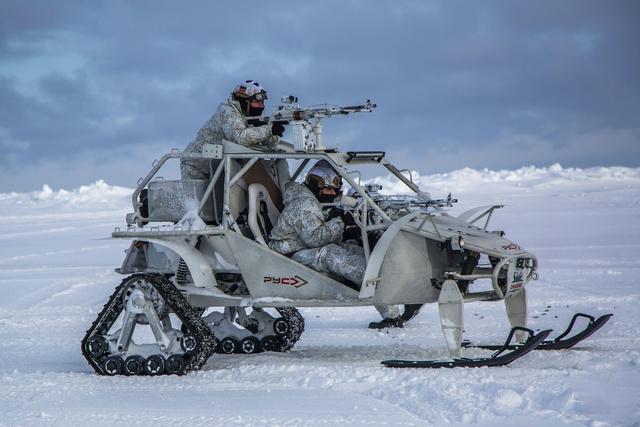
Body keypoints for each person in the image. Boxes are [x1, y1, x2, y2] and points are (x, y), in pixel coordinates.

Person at [268, 160, 405, 327]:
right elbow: (315, 239)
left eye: (334, 189)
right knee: (332, 255)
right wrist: (340, 221)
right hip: (288, 253)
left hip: (302, 246)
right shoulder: (303, 204)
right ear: (314, 185)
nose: (331, 193)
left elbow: (317, 228)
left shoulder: (312, 200)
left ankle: (392, 305)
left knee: (356, 250)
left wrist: (345, 228)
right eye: (327, 188)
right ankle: (383, 287)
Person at [180, 80, 287, 180]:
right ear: (245, 101)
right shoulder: (227, 111)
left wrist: (272, 130)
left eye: (262, 102)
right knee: (199, 200)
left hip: (218, 166)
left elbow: (270, 144)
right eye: (257, 102)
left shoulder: (246, 114)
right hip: (197, 167)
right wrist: (269, 129)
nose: (261, 106)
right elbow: (240, 137)